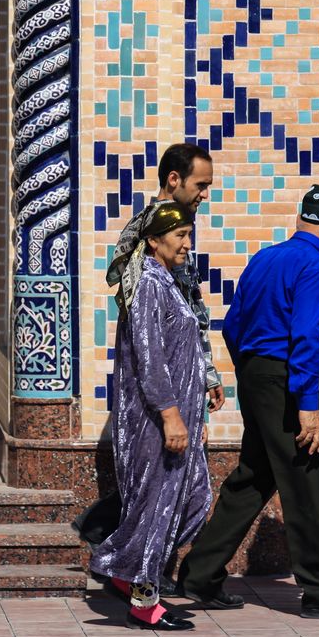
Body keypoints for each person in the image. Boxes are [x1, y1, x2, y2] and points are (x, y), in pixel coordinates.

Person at [176, 186, 319, 620]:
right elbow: (307, 337)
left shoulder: (266, 259)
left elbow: (233, 325)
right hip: (293, 384)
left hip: (259, 378)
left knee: (254, 478)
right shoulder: (314, 266)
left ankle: (199, 574)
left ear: (300, 221)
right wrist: (306, 405)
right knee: (312, 484)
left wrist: (251, 377)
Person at [76, 143, 225, 595]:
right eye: (200, 185)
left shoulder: (179, 235)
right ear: (175, 180)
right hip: (156, 403)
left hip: (180, 390)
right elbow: (146, 332)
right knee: (155, 495)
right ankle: (129, 567)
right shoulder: (148, 242)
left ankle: (133, 566)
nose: (204, 195)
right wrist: (169, 408)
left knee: (186, 496)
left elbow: (191, 309)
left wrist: (206, 375)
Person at [89, 201, 212, 631]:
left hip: (178, 421)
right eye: (179, 236)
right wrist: (171, 418)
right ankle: (143, 599)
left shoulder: (169, 281)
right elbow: (150, 359)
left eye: (188, 235)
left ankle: (124, 566)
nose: (186, 243)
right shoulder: (147, 285)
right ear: (154, 240)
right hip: (155, 423)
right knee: (157, 507)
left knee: (195, 498)